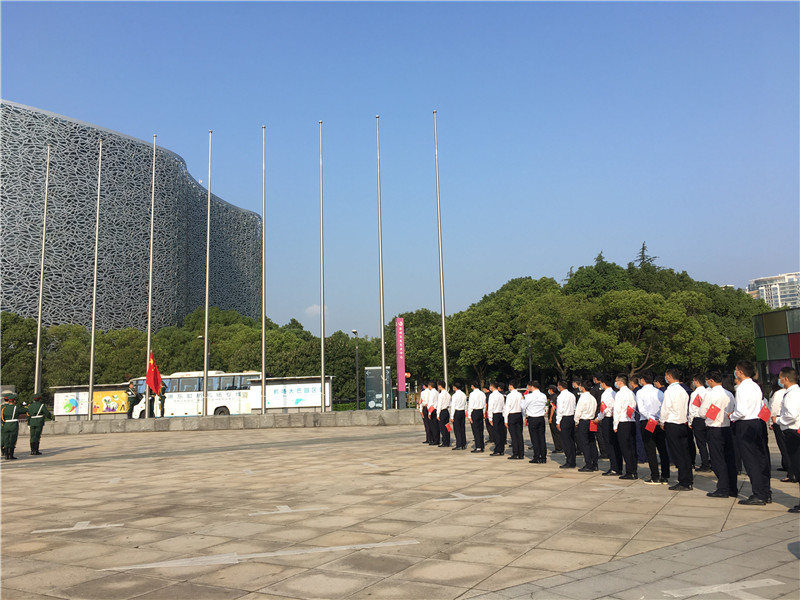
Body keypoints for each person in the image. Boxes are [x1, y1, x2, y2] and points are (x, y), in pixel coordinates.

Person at [730, 360, 771, 505]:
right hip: (757, 422)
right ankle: (765, 492)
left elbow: (740, 411)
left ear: (740, 372)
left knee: (750, 460)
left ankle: (758, 494)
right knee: (761, 459)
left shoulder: (742, 388)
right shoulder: (755, 386)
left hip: (745, 424)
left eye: (736, 370)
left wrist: (731, 416)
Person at [701, 371, 738, 498]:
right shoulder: (729, 394)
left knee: (717, 459)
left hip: (714, 428)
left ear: (710, 380)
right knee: (729, 459)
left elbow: (702, 412)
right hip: (727, 427)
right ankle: (732, 488)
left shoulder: (710, 394)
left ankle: (723, 488)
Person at [661, 369, 693, 491]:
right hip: (682, 423)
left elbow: (665, 408)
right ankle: (688, 479)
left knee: (678, 454)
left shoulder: (670, 391)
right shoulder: (683, 390)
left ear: (669, 377)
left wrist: (662, 421)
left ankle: (684, 481)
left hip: (672, 423)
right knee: (685, 453)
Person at [638, 372, 670, 485]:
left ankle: (655, 475)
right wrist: (659, 419)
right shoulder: (659, 392)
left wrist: (650, 418)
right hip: (659, 421)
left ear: (642, 380)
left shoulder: (640, 392)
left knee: (650, 449)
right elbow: (663, 407)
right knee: (662, 449)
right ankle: (665, 475)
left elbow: (641, 409)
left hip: (647, 422)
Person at [776, 367, 800, 513]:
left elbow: (790, 414)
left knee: (798, 467)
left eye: (780, 377)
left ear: (785, 378)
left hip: (793, 433)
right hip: (795, 431)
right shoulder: (796, 392)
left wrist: (778, 420)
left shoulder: (791, 394)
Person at [770, 376, 795, 483]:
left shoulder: (779, 393)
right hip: (790, 423)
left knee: (784, 448)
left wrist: (772, 422)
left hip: (780, 421)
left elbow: (774, 409)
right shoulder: (793, 392)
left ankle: (791, 473)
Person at [613, 374, 638, 480]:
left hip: (623, 421)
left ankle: (629, 471)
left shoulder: (620, 394)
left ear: (620, 382)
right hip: (631, 421)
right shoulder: (631, 393)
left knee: (625, 448)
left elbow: (617, 410)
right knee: (632, 447)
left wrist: (615, 424)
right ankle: (634, 470)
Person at [596, 375, 622, 476]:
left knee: (610, 444)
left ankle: (614, 467)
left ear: (603, 383)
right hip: (614, 418)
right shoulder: (614, 393)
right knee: (615, 445)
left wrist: (598, 418)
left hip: (608, 419)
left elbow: (604, 409)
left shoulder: (605, 394)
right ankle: (618, 466)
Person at [689, 374, 712, 472]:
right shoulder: (709, 392)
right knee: (710, 442)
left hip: (698, 419)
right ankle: (712, 461)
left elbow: (692, 409)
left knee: (701, 443)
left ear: (696, 381)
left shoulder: (695, 394)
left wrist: (690, 421)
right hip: (709, 418)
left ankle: (705, 464)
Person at [575, 380, 598, 472]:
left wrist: (576, 422)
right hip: (591, 420)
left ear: (583, 387)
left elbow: (578, 411)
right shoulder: (592, 398)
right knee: (592, 442)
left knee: (584, 443)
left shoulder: (582, 398)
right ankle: (594, 463)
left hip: (584, 421)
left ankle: (588, 464)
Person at [523, 381, 548, 463]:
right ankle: (543, 457)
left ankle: (537, 456)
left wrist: (522, 400)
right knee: (541, 437)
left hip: (533, 417)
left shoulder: (529, 396)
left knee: (535, 438)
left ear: (532, 386)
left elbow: (523, 406)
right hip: (541, 417)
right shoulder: (543, 395)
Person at [555, 380, 577, 469]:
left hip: (564, 418)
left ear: (560, 386)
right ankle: (573, 460)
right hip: (571, 417)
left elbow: (560, 410)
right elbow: (574, 407)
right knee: (571, 440)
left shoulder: (560, 397)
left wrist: (558, 422)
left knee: (565, 441)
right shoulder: (572, 395)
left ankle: (569, 461)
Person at [1, 394, 26, 460]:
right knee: (12, 440)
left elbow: (2, 418)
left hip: (6, 425)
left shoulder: (4, 408)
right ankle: (11, 455)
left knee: (6, 440)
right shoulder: (16, 407)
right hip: (13, 425)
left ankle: (6, 455)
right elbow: (24, 410)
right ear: (14, 401)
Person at [504, 381, 524, 460]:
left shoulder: (509, 395)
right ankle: (521, 453)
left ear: (511, 386)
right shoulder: (520, 395)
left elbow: (507, 408)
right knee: (519, 435)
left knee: (513, 436)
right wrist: (523, 416)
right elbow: (522, 406)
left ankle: (515, 453)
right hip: (519, 414)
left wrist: (506, 419)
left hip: (512, 415)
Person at [488, 382, 506, 456]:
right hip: (501, 414)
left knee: (496, 433)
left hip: (495, 414)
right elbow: (504, 406)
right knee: (501, 432)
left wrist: (490, 417)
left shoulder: (492, 395)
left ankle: (498, 449)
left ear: (492, 387)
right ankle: (501, 449)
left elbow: (490, 407)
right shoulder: (501, 395)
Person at [468, 382, 486, 453]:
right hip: (481, 411)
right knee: (480, 429)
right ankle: (481, 446)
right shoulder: (482, 393)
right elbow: (484, 404)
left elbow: (470, 405)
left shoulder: (472, 394)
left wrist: (469, 415)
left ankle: (478, 447)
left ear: (473, 386)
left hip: (474, 412)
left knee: (476, 430)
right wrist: (484, 412)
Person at [450, 382, 468, 451]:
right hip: (462, 411)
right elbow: (465, 404)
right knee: (462, 428)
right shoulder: (463, 394)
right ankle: (463, 444)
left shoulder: (455, 395)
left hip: (457, 412)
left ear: (455, 387)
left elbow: (453, 406)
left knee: (457, 429)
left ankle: (459, 444)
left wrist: (452, 416)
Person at [547, 385, 563, 454]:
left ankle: (558, 447)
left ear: (551, 390)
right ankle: (560, 446)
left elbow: (553, 408)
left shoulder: (553, 397)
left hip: (553, 417)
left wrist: (550, 418)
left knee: (555, 432)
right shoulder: (556, 396)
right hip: (556, 416)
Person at [436, 381, 451, 448]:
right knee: (447, 426)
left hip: (442, 411)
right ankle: (448, 440)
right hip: (446, 411)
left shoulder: (441, 395)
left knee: (442, 428)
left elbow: (439, 405)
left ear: (440, 386)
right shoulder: (448, 394)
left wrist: (438, 414)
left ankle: (444, 441)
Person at [427, 382, 440, 446]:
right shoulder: (437, 392)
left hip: (432, 410)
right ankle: (437, 439)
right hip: (436, 409)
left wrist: (429, 412)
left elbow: (431, 403)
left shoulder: (432, 393)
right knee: (436, 426)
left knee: (433, 426)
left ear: (430, 386)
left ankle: (435, 440)